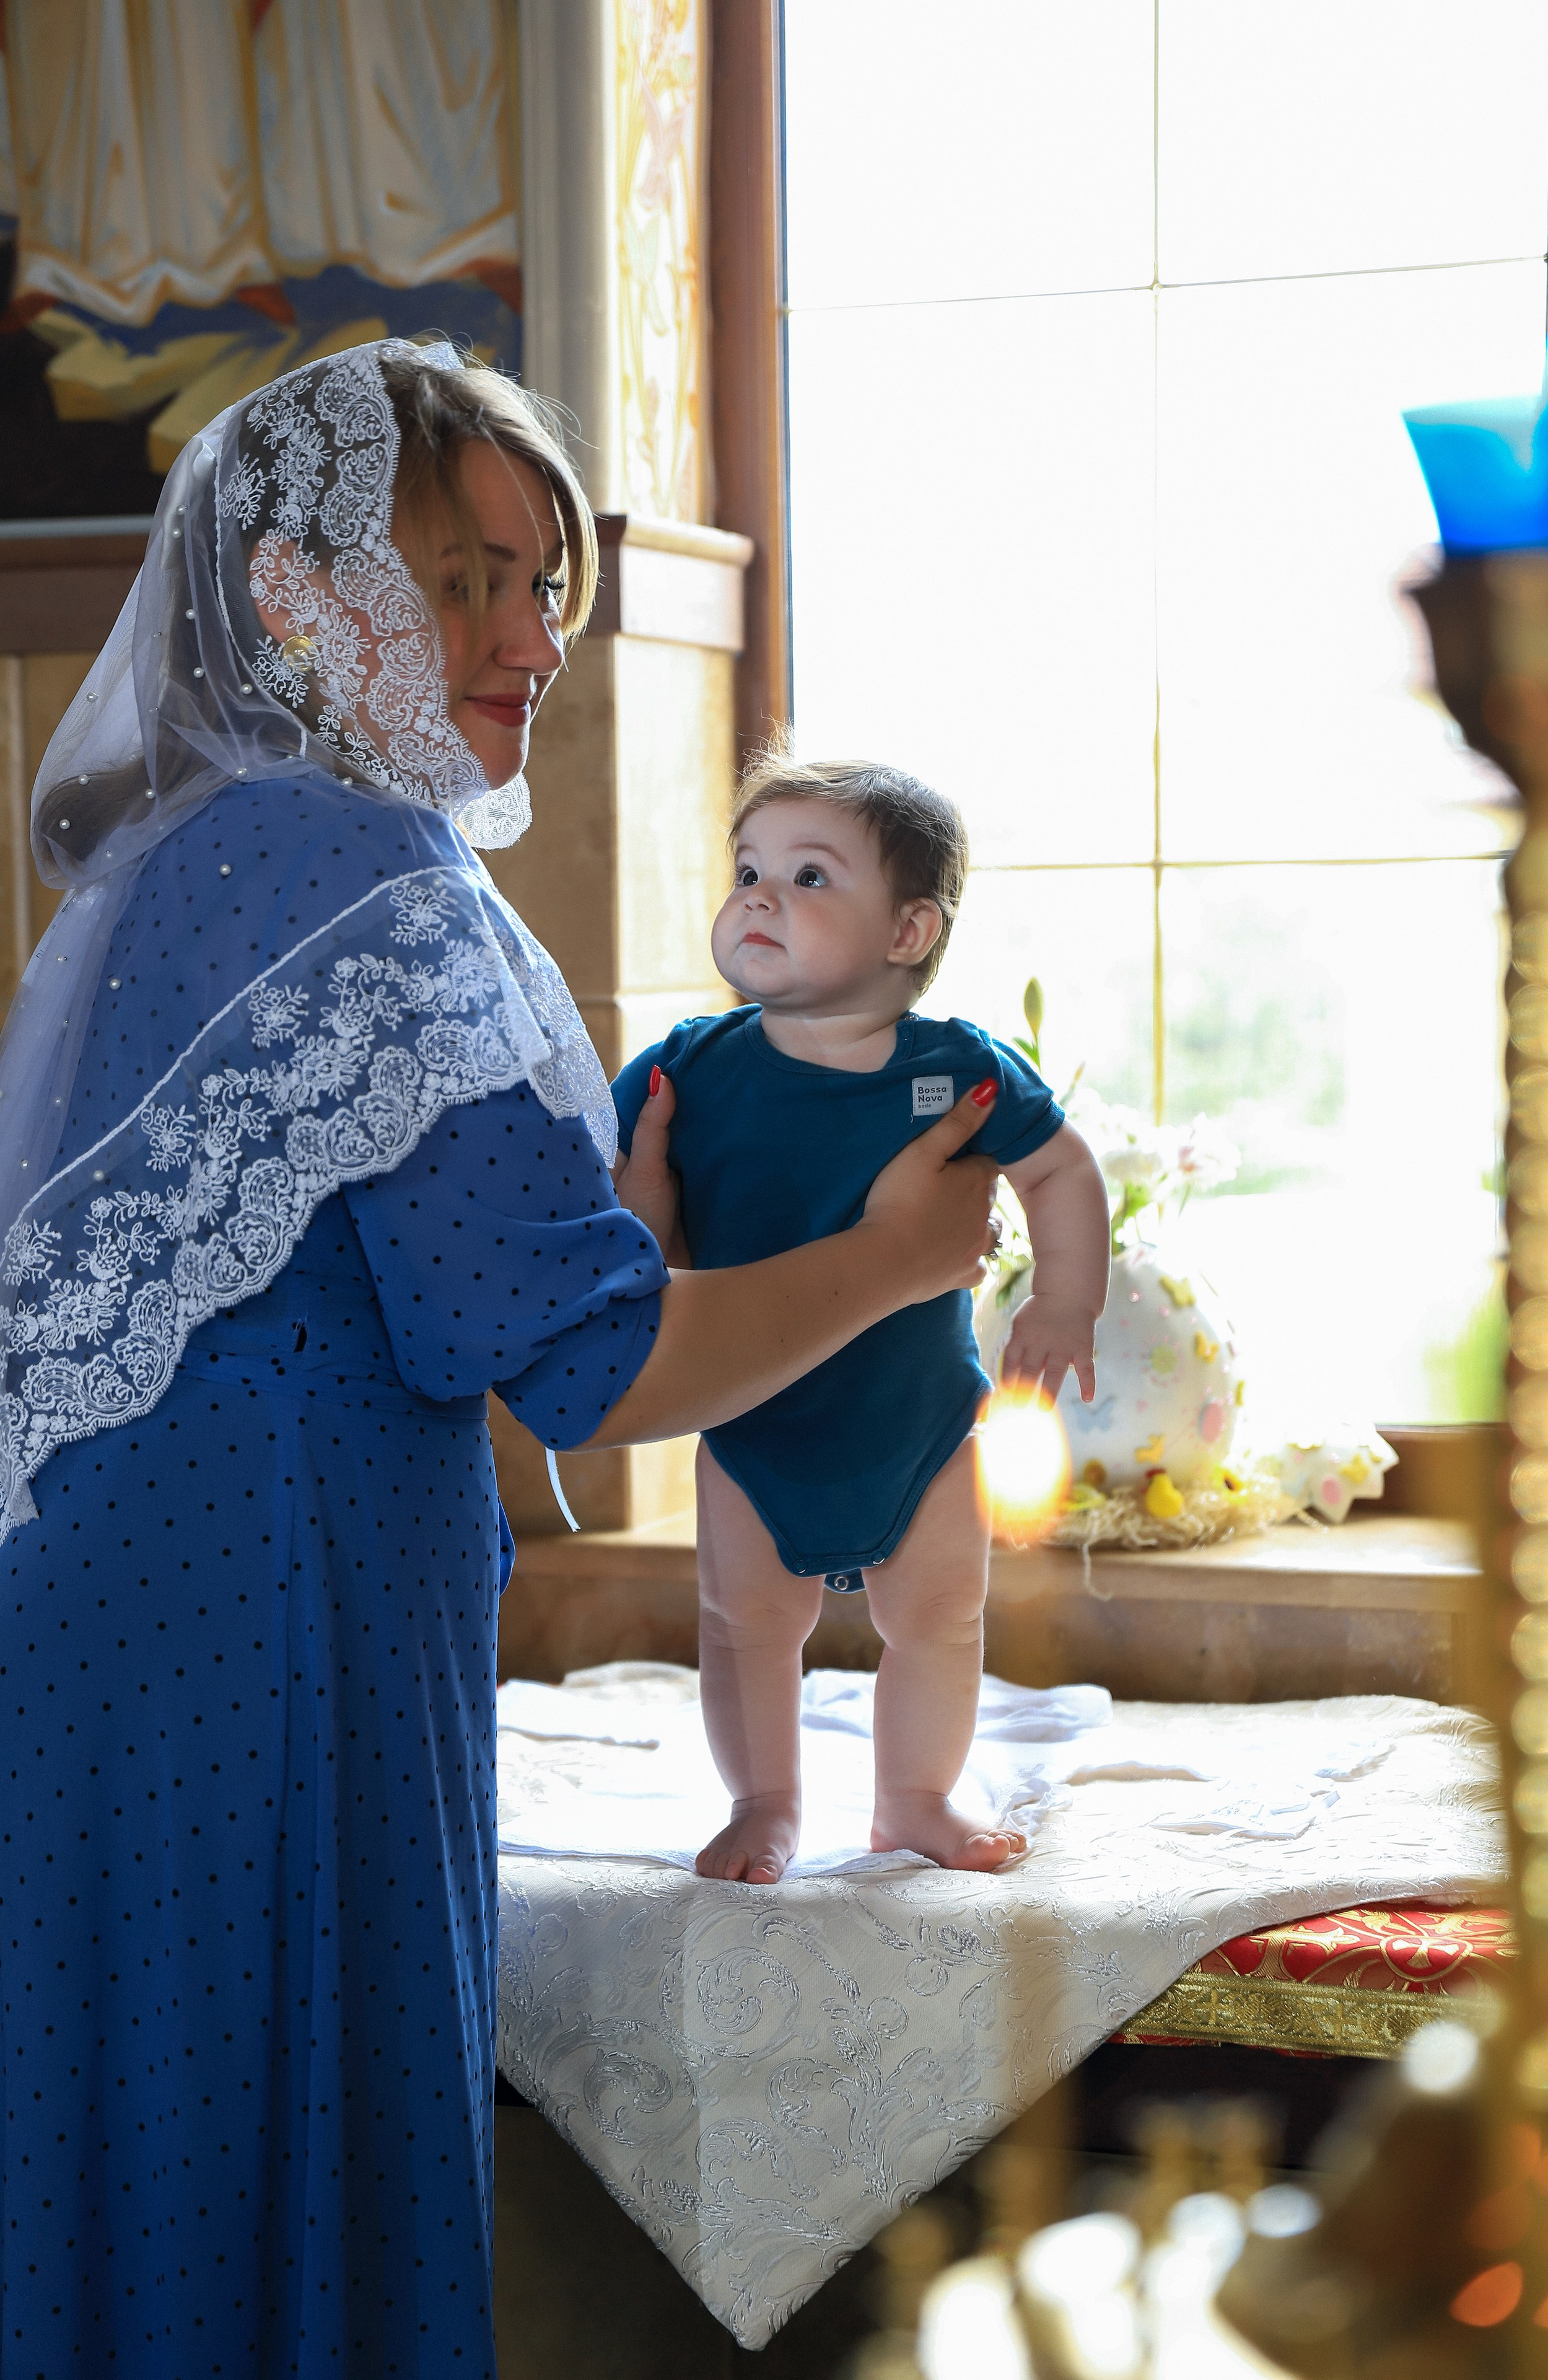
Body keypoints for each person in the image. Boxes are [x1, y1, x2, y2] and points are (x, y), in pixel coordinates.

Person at [0, 340, 1000, 2377]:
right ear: (297, 593)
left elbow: (392, 1287)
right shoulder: (362, 878)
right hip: (258, 1673)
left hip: (127, 1663)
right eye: (468, 577)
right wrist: (899, 1257)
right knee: (271, 2209)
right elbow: (582, 1369)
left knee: (135, 2195)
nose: (532, 637)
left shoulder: (195, 850)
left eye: (548, 583)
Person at [611, 755, 1111, 1888]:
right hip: (750, 1418)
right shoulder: (690, 1069)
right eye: (746, 870)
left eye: (807, 874)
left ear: (908, 930)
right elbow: (600, 1188)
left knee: (939, 1616)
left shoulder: (960, 1069)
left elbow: (1062, 1168)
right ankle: (765, 1801)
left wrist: (1065, 1298)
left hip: (920, 1419)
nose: (757, 895)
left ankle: (916, 1795)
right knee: (743, 1624)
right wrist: (638, 1211)